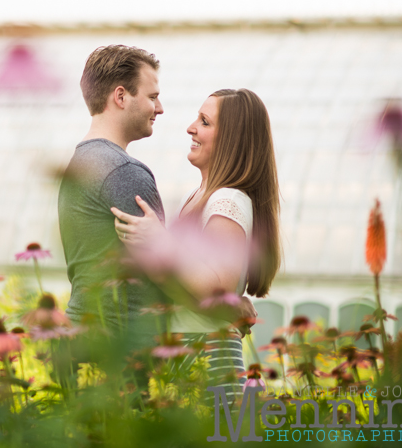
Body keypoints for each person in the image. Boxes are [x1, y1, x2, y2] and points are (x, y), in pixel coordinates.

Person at [113, 88, 281, 397]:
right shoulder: (202, 197)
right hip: (189, 350)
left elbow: (217, 288)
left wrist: (161, 241)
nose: (191, 127)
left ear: (231, 140)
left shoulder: (226, 200)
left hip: (207, 354)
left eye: (204, 122)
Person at [57, 44, 167, 344]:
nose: (159, 109)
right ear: (120, 96)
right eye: (152, 97)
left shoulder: (79, 165)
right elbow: (167, 273)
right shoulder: (123, 171)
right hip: (123, 351)